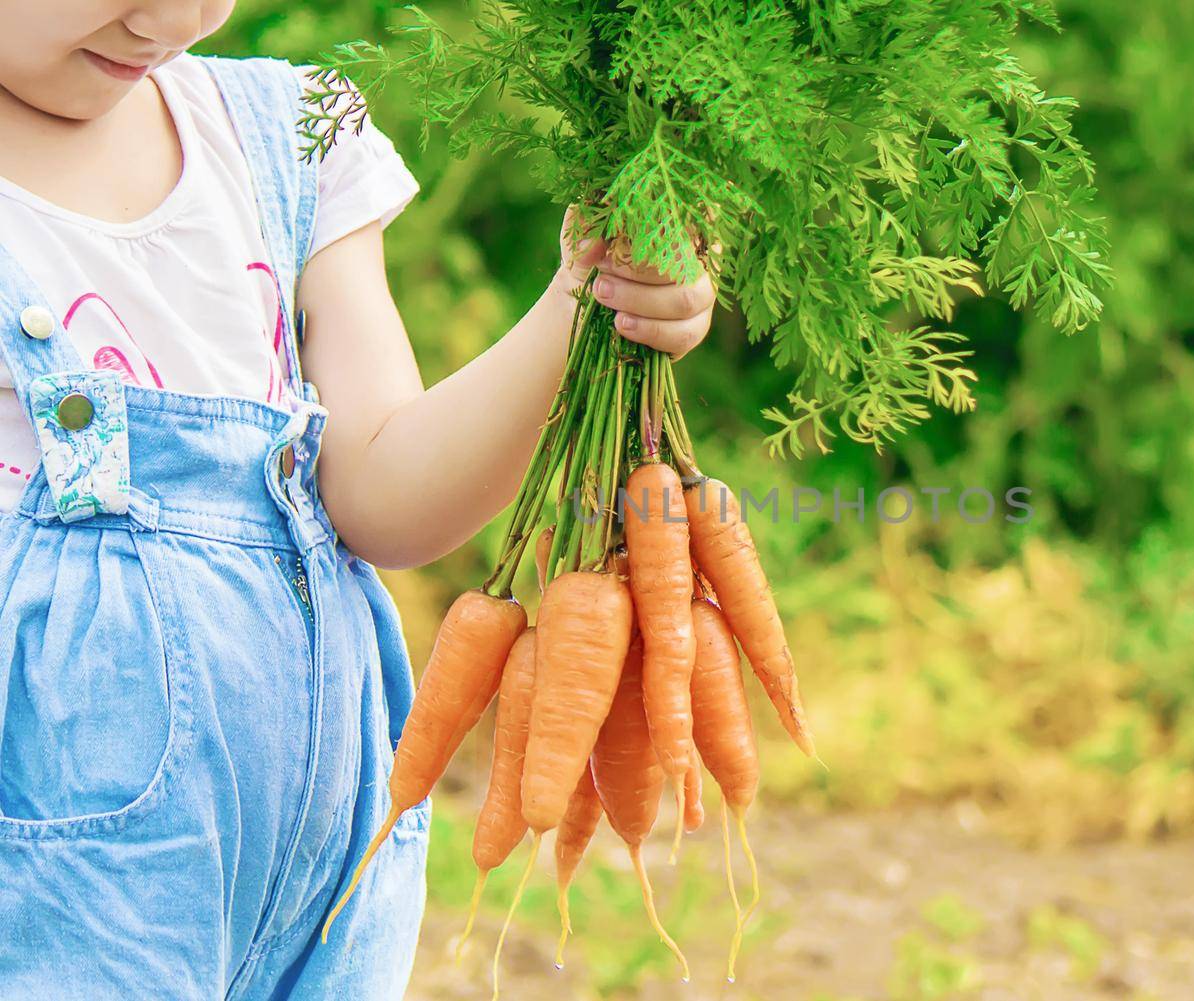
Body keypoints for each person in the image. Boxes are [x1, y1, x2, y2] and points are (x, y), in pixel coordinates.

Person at [0, 3, 715, 996]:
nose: (175, 14)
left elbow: (382, 497)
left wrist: (586, 300)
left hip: (328, 858)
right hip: (59, 870)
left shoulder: (286, 133)